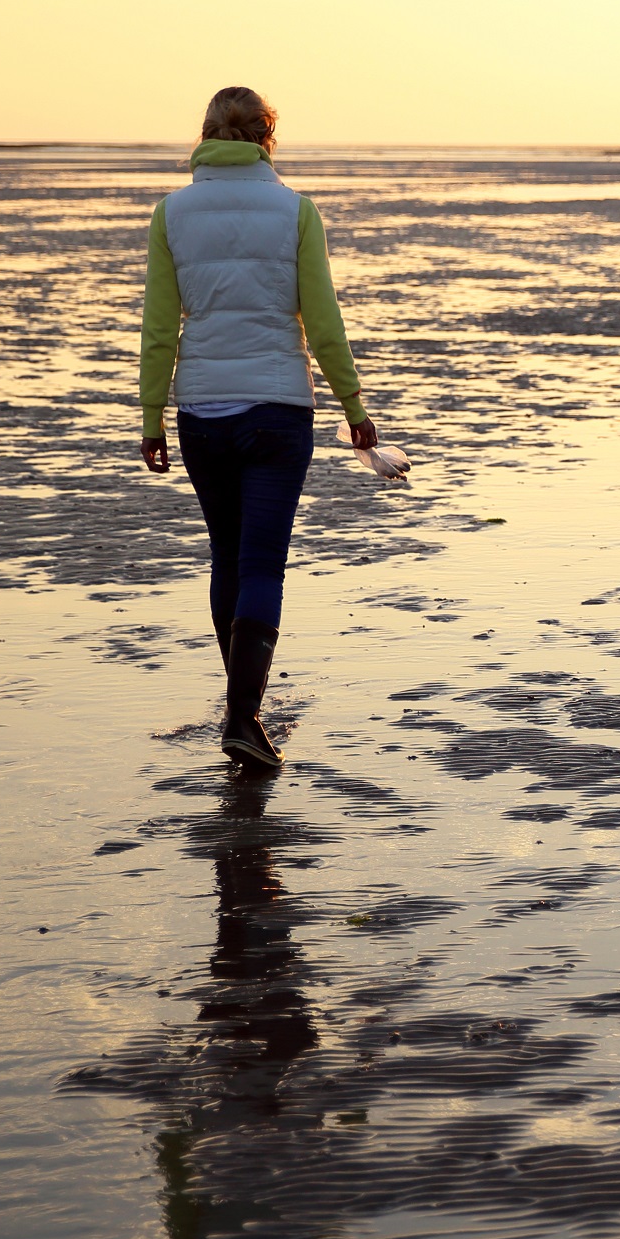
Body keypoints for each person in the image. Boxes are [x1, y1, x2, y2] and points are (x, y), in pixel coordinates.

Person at [137, 87, 378, 769]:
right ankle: (244, 715)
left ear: (207, 134)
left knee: (228, 556)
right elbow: (323, 323)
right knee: (262, 563)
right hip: (277, 410)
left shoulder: (172, 213)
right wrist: (354, 409)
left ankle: (244, 709)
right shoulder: (296, 211)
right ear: (268, 136)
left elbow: (160, 328)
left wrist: (152, 415)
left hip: (202, 414)